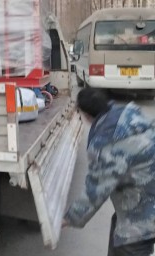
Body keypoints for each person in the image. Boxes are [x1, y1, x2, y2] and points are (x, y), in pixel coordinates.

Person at [63, 87, 155, 256]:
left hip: (143, 215)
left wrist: (70, 218)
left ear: (86, 115)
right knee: (118, 226)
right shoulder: (127, 115)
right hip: (144, 194)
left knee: (128, 242)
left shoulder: (107, 144)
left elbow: (96, 189)